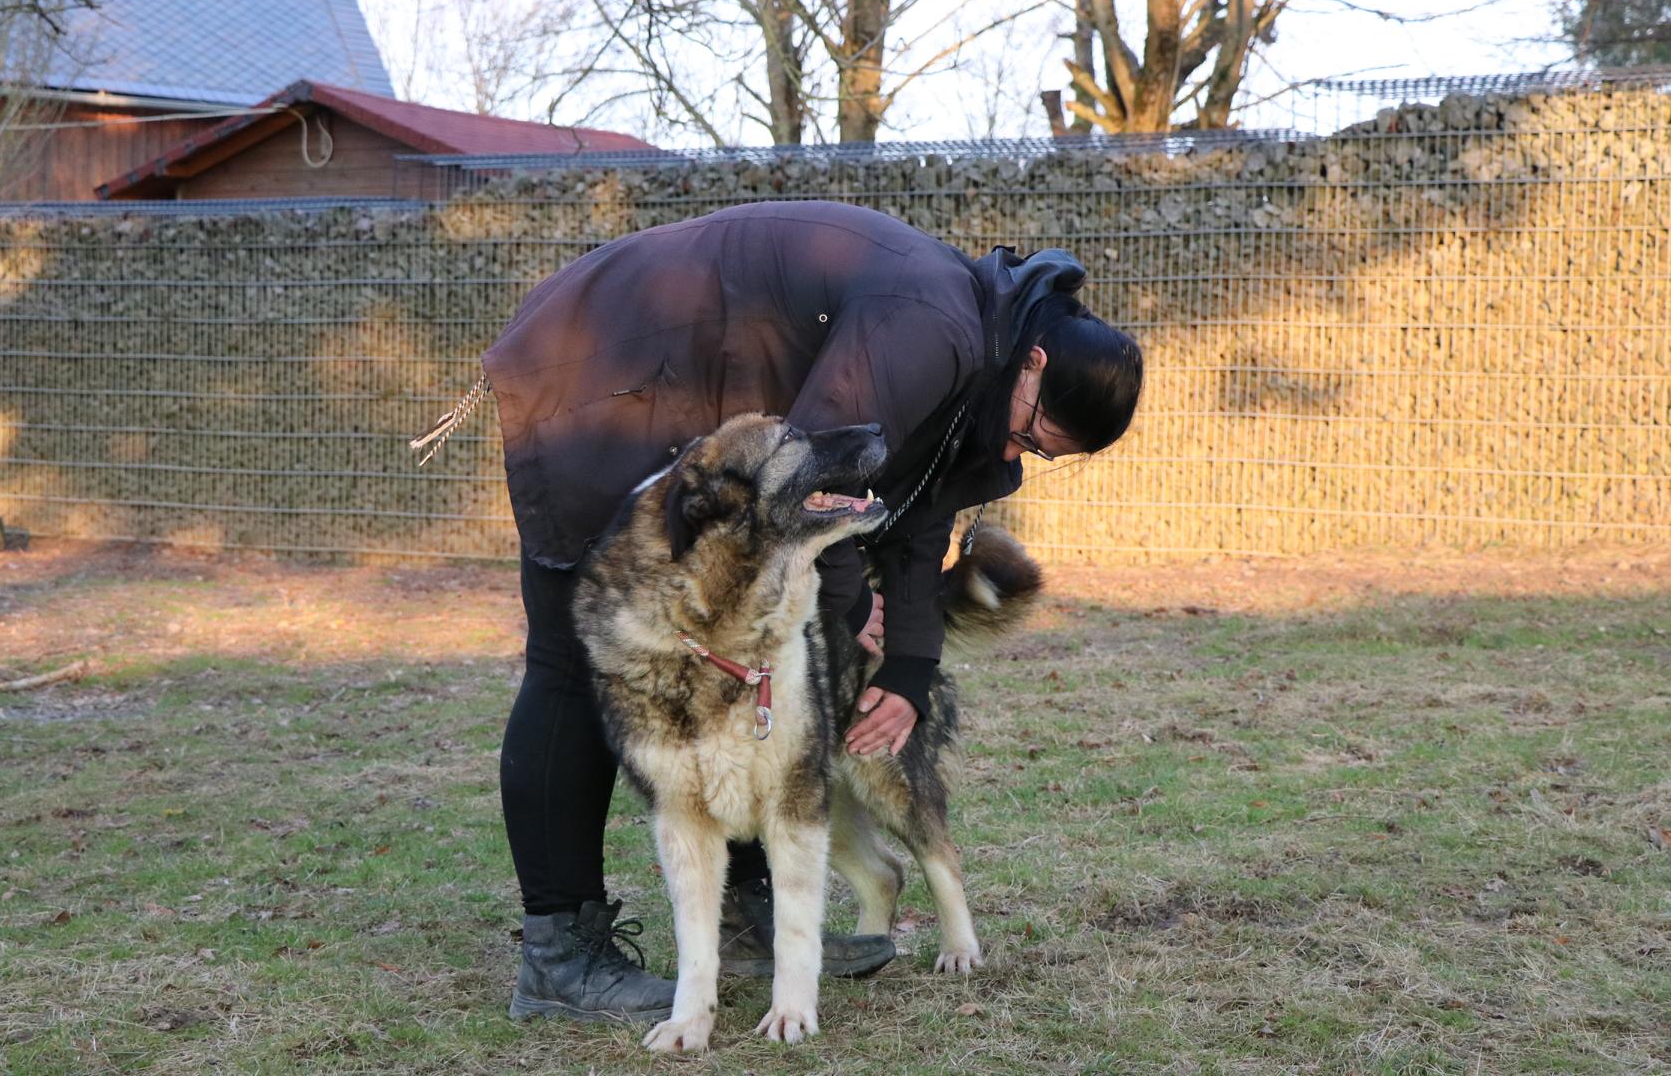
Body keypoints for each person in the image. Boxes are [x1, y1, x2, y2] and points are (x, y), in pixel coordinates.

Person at [414, 200, 1142, 1023]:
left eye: (1040, 455)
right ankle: (560, 957)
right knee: (575, 658)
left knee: (745, 663)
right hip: (606, 369)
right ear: (1033, 364)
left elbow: (920, 509)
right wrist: (850, 601)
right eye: (1033, 436)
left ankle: (746, 918)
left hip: (698, 402)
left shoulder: (981, 362)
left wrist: (909, 667)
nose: (1017, 454)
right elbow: (813, 481)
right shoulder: (932, 324)